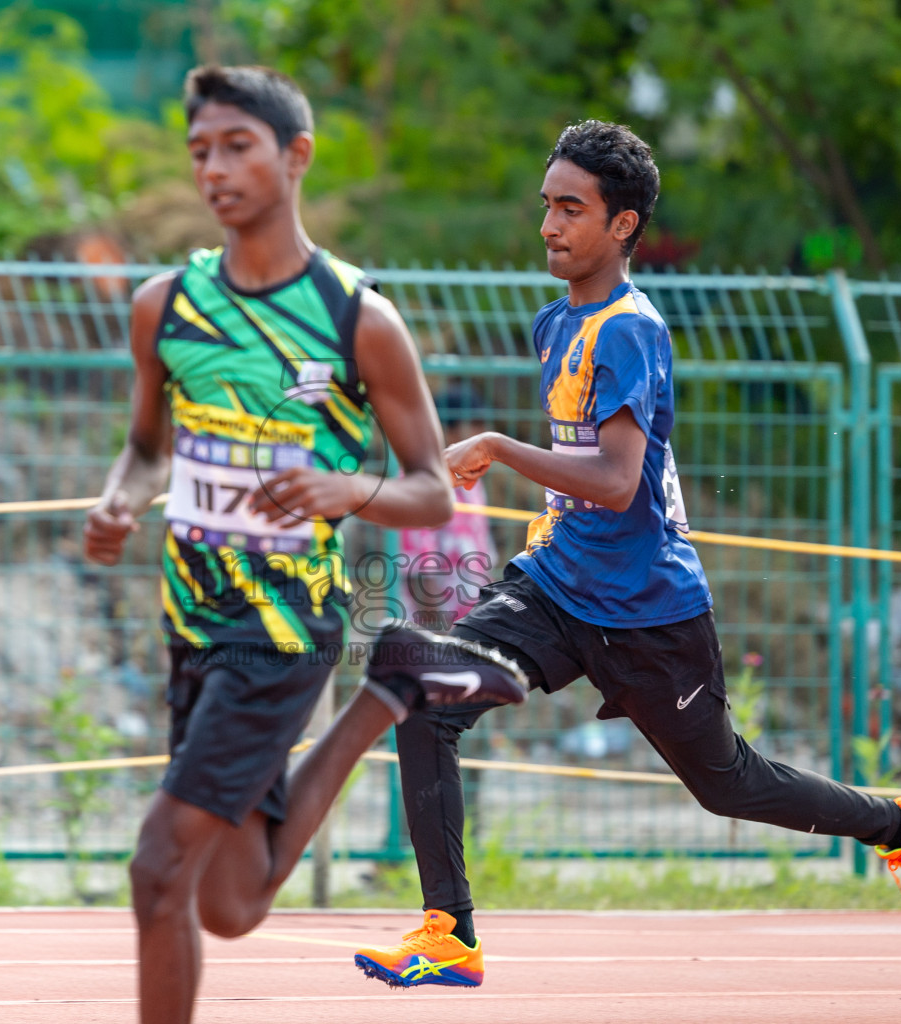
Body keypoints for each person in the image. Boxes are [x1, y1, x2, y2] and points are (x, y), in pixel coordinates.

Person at [352, 120, 901, 991]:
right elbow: (583, 486)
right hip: (559, 585)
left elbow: (618, 480)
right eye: (546, 206)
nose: (549, 226)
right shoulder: (554, 322)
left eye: (572, 209)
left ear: (624, 225)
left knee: (729, 784)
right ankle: (450, 932)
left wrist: (497, 447)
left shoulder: (631, 330)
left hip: (649, 611)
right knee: (421, 688)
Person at [80, 65, 528, 1024]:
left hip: (285, 629)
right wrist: (120, 499)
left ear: (296, 156)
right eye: (200, 151)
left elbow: (425, 483)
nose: (214, 169)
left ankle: (385, 681)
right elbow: (146, 447)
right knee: (227, 904)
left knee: (157, 868)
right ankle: (393, 689)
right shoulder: (166, 306)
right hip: (192, 626)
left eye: (237, 145)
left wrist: (344, 487)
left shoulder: (358, 321)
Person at [397, 388, 499, 632]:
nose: (480, 435)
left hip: (471, 623)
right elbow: (418, 570)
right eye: (473, 425)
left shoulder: (474, 482)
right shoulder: (418, 482)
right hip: (433, 627)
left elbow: (482, 551)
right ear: (447, 430)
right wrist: (441, 636)